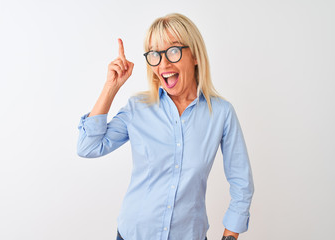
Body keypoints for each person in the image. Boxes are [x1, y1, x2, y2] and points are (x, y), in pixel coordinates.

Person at [77, 13, 254, 240]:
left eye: (173, 51)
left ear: (195, 56)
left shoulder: (221, 113)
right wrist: (111, 86)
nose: (163, 64)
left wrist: (230, 235)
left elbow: (242, 182)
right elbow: (87, 147)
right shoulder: (138, 108)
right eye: (154, 54)